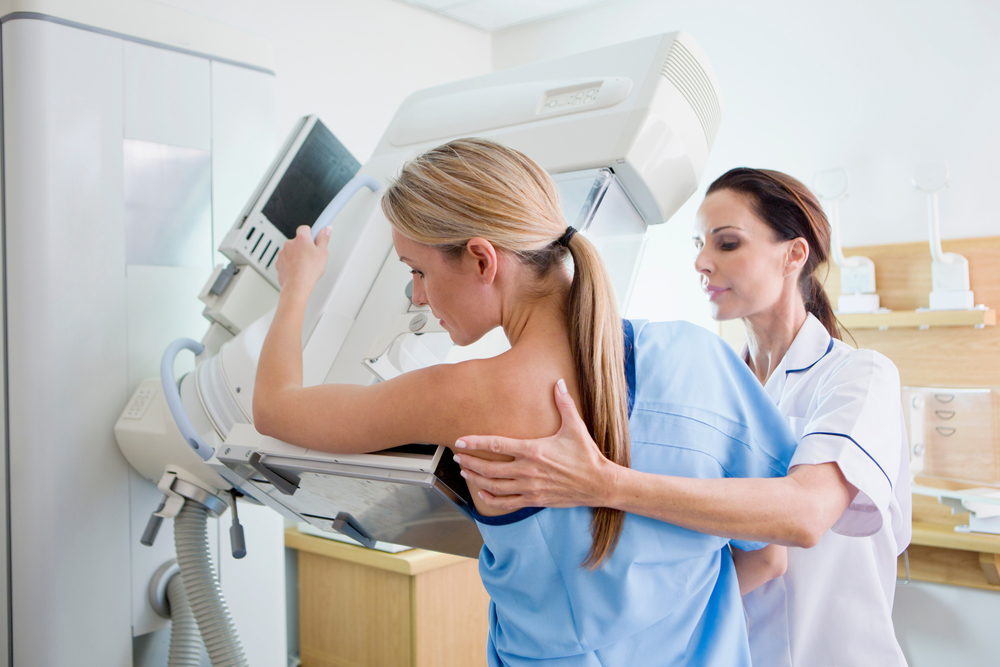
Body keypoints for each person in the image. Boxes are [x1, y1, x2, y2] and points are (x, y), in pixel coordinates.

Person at [254, 140, 801, 666]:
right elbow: (770, 554)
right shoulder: (699, 357)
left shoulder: (462, 396)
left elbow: (276, 408)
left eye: (418, 271)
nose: (418, 296)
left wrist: (296, 285)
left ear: (481, 260)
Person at [454, 167, 911, 667]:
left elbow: (804, 516)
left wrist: (603, 483)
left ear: (793, 255)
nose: (701, 261)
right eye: (699, 243)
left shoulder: (858, 378)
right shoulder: (709, 382)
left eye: (727, 244)